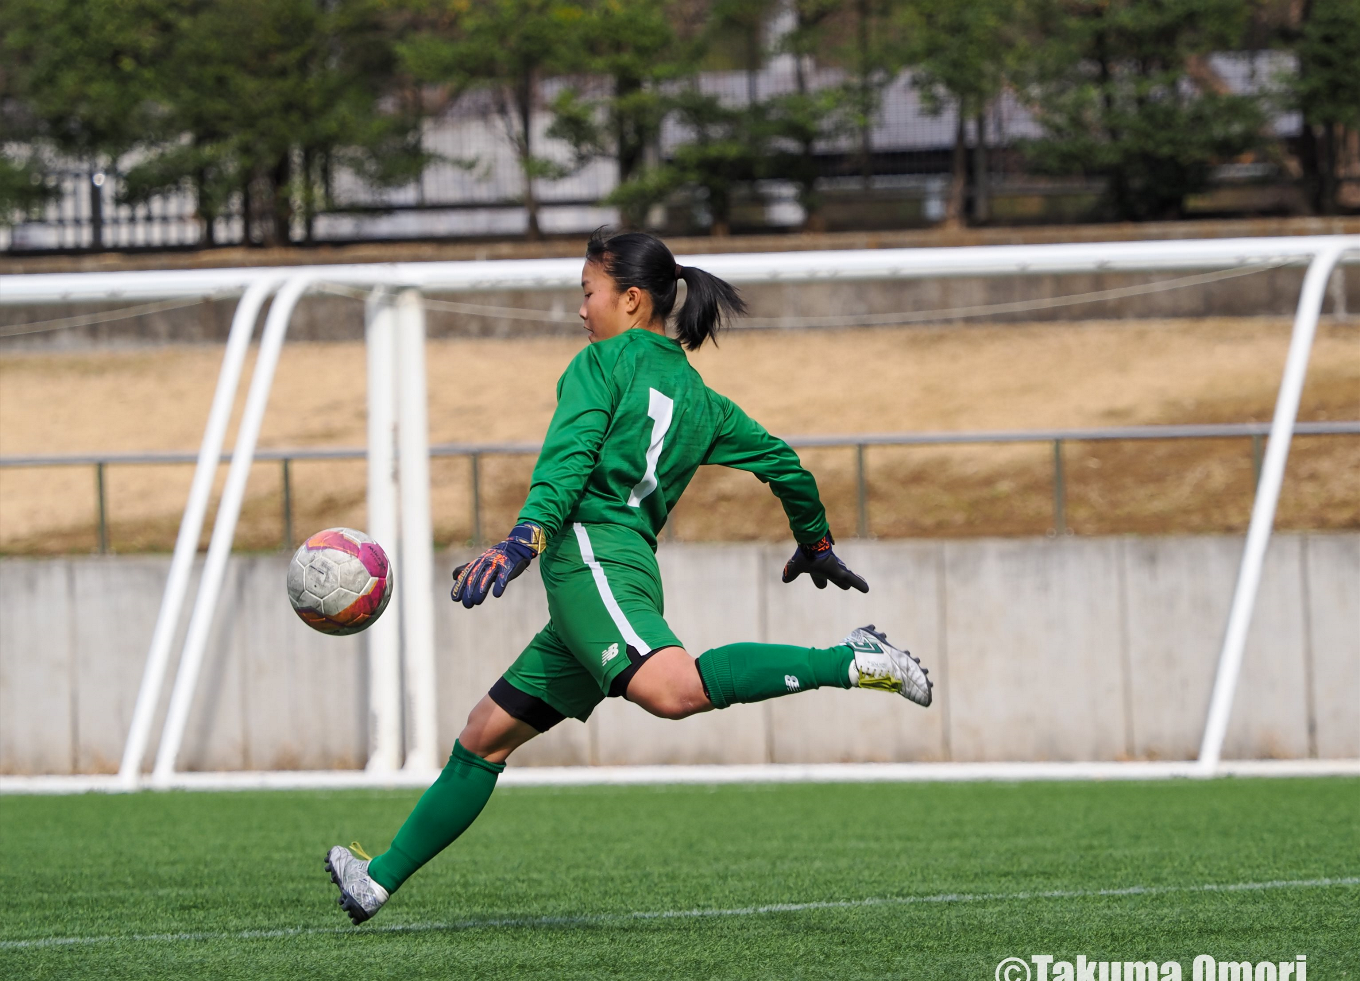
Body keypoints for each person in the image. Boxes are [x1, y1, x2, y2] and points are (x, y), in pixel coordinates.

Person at [326, 229, 932, 924]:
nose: (582, 311)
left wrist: (526, 536)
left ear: (633, 299)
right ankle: (377, 879)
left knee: (673, 694)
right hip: (622, 570)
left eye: (589, 294)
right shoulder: (702, 400)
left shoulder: (600, 365)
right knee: (484, 735)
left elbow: (570, 459)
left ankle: (848, 660)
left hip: (589, 560)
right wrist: (815, 540)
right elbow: (785, 464)